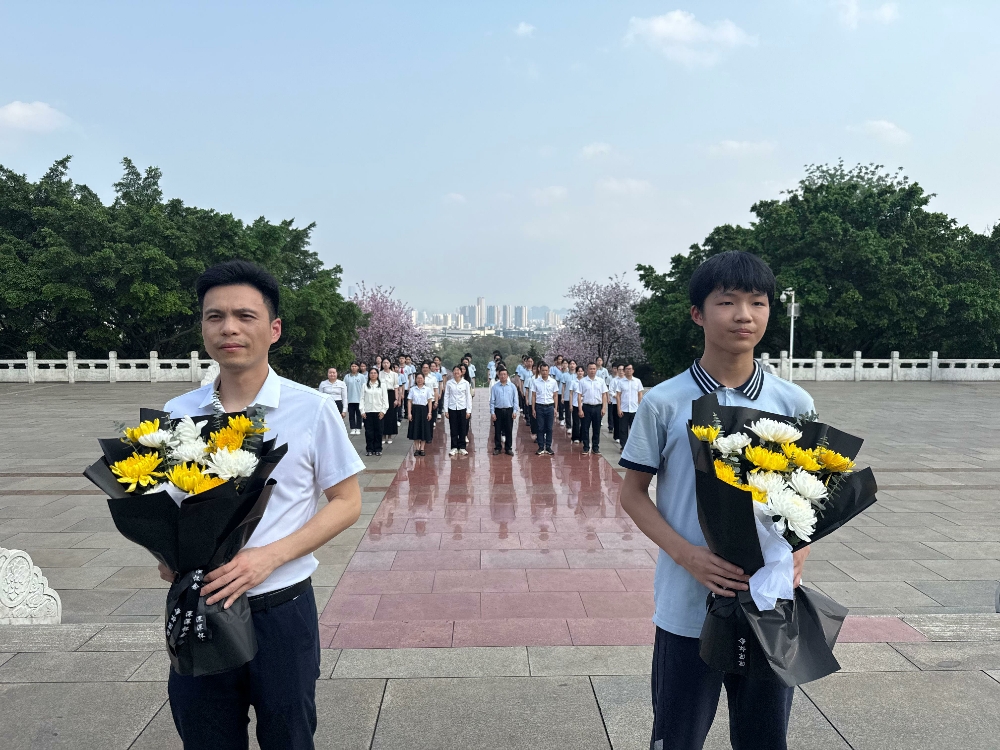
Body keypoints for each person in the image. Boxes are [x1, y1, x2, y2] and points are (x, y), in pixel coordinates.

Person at [162, 259, 364, 750]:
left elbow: (347, 501)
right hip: (202, 608)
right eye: (215, 316)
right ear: (203, 327)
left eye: (245, 316)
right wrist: (169, 555)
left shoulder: (311, 410)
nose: (228, 327)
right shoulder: (176, 413)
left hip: (281, 609)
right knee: (205, 735)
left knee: (288, 736)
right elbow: (165, 505)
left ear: (273, 329)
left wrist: (267, 557)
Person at [618, 251, 813, 750]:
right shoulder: (664, 402)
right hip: (689, 603)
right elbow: (632, 494)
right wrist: (688, 557)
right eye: (727, 302)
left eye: (757, 302)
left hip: (768, 604)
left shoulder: (793, 403)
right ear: (698, 314)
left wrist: (796, 554)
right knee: (678, 737)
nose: (744, 315)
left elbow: (804, 500)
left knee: (765, 738)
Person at [530, 362, 560, 455]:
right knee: (540, 427)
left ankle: (548, 446)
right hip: (539, 406)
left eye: (546, 370)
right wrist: (533, 409)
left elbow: (555, 396)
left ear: (549, 371)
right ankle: (540, 447)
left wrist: (555, 408)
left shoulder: (553, 382)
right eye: (543, 370)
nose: (544, 372)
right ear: (540, 370)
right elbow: (534, 396)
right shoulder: (536, 381)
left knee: (549, 428)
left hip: (550, 406)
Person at [578, 362, 608, 455]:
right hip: (586, 407)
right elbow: (579, 396)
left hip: (597, 407)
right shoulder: (582, 381)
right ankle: (586, 447)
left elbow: (604, 395)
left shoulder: (600, 381)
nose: (592, 370)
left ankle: (595, 447)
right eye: (590, 369)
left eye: (594, 369)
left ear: (596, 370)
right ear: (587, 370)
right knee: (585, 428)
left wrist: (604, 408)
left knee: (596, 428)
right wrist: (580, 409)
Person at [443, 365, 472, 456]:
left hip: (462, 407)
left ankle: (462, 447)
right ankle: (454, 447)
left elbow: (468, 397)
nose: (456, 372)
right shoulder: (449, 383)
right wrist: (446, 410)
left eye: (458, 371)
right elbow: (446, 396)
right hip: (452, 408)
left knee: (463, 428)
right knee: (453, 428)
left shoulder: (466, 383)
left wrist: (469, 410)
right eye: (455, 371)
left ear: (461, 372)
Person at [489, 366, 519, 455]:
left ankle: (508, 448)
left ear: (507, 375)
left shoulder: (512, 387)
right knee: (497, 430)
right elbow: (492, 401)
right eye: (501, 374)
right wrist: (492, 412)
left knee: (509, 430)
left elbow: (515, 400)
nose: (503, 376)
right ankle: (498, 447)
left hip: (509, 410)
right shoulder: (495, 387)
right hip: (498, 410)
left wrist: (515, 411)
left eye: (504, 374)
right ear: (498, 375)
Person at [360, 366, 388, 457]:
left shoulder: (382, 385)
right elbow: (362, 399)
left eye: (375, 373)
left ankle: (378, 449)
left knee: (379, 431)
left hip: (378, 412)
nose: (373, 375)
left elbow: (385, 400)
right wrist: (362, 411)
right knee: (369, 432)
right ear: (369, 375)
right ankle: (369, 449)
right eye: (371, 373)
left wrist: (383, 411)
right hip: (368, 412)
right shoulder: (365, 385)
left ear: (377, 375)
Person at [407, 372, 435, 456]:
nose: (419, 380)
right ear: (415, 379)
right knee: (415, 429)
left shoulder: (427, 389)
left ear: (424, 379)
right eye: (418, 378)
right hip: (415, 410)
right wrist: (409, 413)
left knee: (424, 429)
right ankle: (416, 448)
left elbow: (430, 401)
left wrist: (429, 413)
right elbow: (409, 401)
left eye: (421, 378)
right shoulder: (412, 389)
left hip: (424, 410)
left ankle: (422, 448)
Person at [616, 363, 643, 448]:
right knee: (623, 429)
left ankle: (634, 447)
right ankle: (623, 446)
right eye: (627, 369)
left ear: (633, 370)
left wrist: (640, 406)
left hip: (634, 409)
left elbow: (640, 394)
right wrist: (619, 409)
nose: (629, 370)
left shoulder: (637, 381)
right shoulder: (620, 382)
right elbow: (618, 396)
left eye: (630, 369)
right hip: (624, 409)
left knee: (635, 429)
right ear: (624, 371)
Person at [379, 359, 400, 446]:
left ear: (390, 364)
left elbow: (396, 387)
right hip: (381, 395)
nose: (385, 364)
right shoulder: (379, 374)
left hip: (391, 394)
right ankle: (383, 436)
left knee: (391, 415)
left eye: (387, 363)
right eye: (384, 363)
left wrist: (396, 399)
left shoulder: (394, 374)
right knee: (382, 414)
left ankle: (390, 436)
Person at [344, 363, 366, 435]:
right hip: (350, 399)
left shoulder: (361, 377)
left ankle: (358, 428)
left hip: (359, 399)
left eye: (355, 366)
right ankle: (353, 428)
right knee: (351, 415)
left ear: (358, 367)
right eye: (352, 366)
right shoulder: (347, 377)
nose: (354, 367)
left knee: (359, 415)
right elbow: (344, 387)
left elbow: (364, 387)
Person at [568, 364, 585, 443]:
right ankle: (575, 437)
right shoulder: (573, 382)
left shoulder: (586, 381)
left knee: (584, 422)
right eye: (578, 371)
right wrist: (570, 404)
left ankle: (582, 437)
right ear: (576, 372)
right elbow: (571, 393)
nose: (580, 373)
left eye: (581, 371)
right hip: (575, 404)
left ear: (584, 372)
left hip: (584, 404)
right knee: (575, 421)